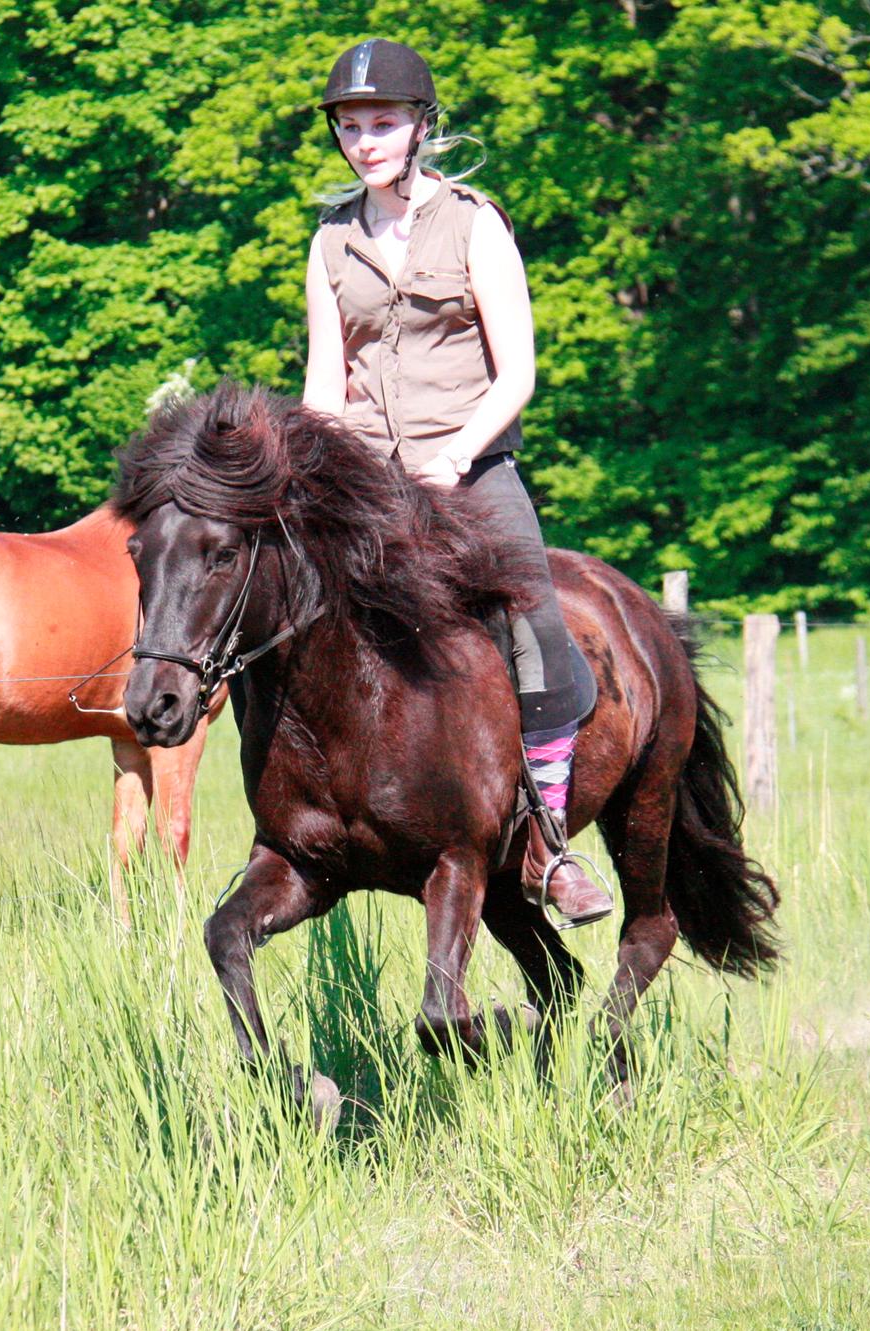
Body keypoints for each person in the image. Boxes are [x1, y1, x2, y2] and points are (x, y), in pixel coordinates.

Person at [303, 38, 613, 928]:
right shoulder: (330, 242)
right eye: (351, 127)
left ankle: (549, 843)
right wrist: (319, 479)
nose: (366, 141)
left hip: (470, 471)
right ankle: (303, 817)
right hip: (370, 484)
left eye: (383, 123)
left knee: (536, 629)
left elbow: (517, 373)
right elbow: (325, 385)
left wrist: (456, 453)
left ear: (420, 127)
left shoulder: (476, 224)